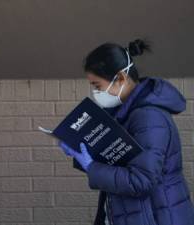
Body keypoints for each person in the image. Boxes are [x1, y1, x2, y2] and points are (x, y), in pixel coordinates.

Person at [59, 39, 194, 225]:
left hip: (156, 216)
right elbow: (120, 160)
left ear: (121, 78)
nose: (96, 93)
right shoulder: (126, 113)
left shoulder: (148, 117)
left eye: (97, 86)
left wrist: (92, 166)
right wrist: (82, 149)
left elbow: (142, 180)